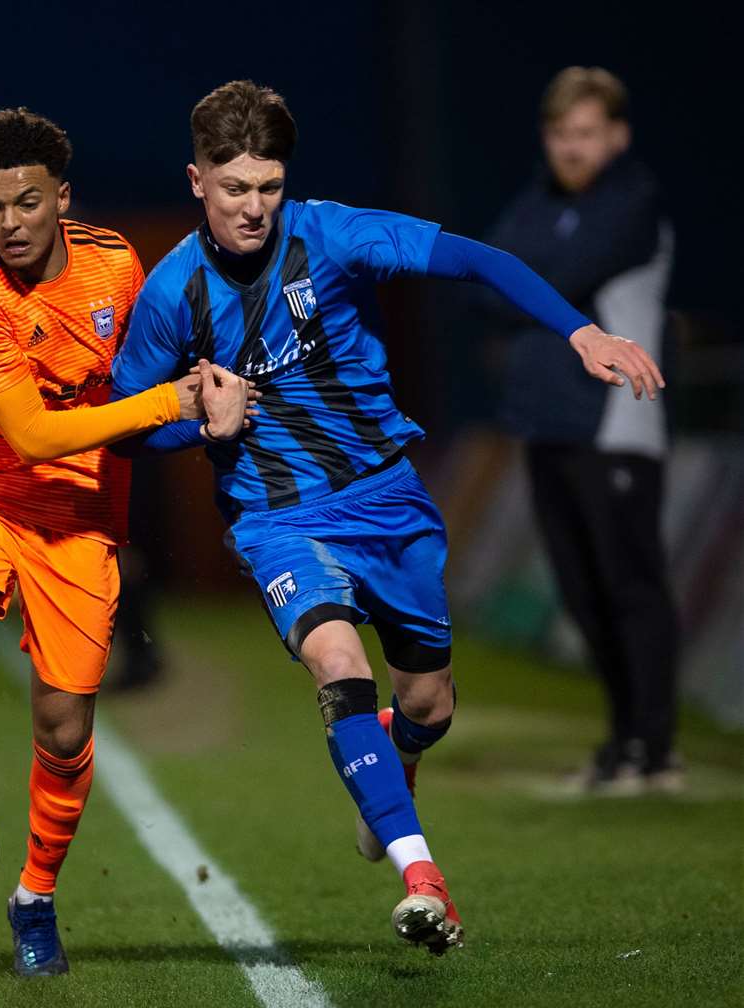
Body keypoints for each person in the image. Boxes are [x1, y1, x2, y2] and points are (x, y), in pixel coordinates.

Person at [110, 80, 664, 955]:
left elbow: (477, 259)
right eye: (234, 189)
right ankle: (421, 875)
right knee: (337, 662)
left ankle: (398, 766)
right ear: (196, 181)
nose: (254, 208)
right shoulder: (171, 294)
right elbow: (123, 428)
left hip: (386, 498)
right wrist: (187, 418)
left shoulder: (333, 232)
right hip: (276, 516)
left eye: (269, 187)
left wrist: (578, 332)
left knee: (428, 702)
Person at [0, 107, 251, 977]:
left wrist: (206, 405)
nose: (8, 225)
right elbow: (35, 438)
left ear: (62, 196)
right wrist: (175, 403)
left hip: (77, 517)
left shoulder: (115, 261)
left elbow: (137, 382)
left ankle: (36, 898)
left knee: (62, 728)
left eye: (25, 203)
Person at [481, 67, 681, 795]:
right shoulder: (535, 202)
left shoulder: (634, 201)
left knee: (632, 586)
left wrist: (526, 282)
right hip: (547, 423)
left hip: (617, 423)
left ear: (617, 137)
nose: (572, 148)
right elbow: (494, 282)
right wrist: (525, 282)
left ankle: (653, 747)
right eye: (562, 134)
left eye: (588, 133)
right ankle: (622, 736)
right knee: (581, 589)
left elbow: (551, 274)